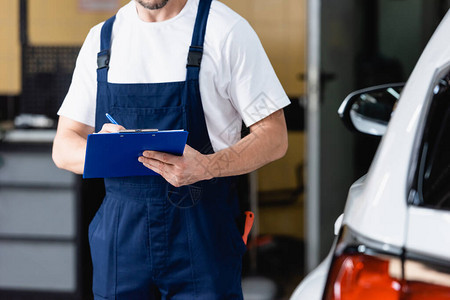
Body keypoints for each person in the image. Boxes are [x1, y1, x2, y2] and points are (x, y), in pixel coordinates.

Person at [52, 0, 290, 298]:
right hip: (121, 239)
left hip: (201, 234)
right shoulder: (102, 41)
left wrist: (208, 166)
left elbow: (275, 136)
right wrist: (107, 149)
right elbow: (63, 147)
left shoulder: (225, 30)